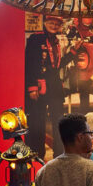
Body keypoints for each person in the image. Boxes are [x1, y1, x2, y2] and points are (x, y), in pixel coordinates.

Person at [25, 15, 66, 160]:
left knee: (59, 120)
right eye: (51, 23)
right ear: (44, 23)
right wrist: (31, 87)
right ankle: (36, 154)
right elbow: (29, 63)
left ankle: (60, 154)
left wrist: (73, 53)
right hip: (39, 85)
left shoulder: (56, 41)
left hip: (54, 87)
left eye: (57, 24)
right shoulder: (35, 39)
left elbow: (56, 66)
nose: (54, 26)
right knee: (37, 121)